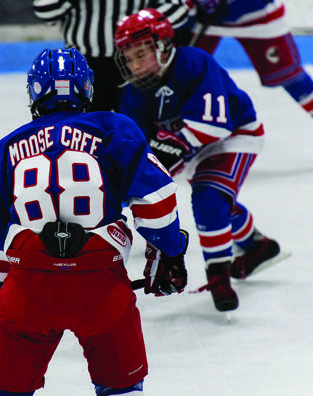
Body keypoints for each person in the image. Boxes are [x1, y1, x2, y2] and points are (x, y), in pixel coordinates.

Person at [0, 47, 189, 395]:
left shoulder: (8, 145)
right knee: (121, 389)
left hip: (29, 286)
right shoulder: (114, 126)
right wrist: (171, 251)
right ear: (87, 89)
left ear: (33, 91)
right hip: (100, 284)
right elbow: (157, 201)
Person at [115, 8, 287, 312]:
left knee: (208, 199)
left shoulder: (194, 62)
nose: (135, 64)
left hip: (233, 135)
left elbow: (214, 124)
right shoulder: (133, 93)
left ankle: (219, 278)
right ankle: (257, 246)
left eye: (141, 53)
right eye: (129, 57)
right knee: (219, 203)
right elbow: (139, 151)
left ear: (163, 45)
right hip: (191, 147)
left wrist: (166, 148)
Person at [182, 0, 313, 164]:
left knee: (292, 79)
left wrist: (234, 5)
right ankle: (171, 138)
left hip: (256, 13)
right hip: (202, 15)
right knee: (181, 73)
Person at [32, 0, 192, 112]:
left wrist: (141, 24)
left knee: (136, 130)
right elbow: (45, 11)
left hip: (136, 65)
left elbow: (179, 10)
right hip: (81, 67)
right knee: (82, 132)